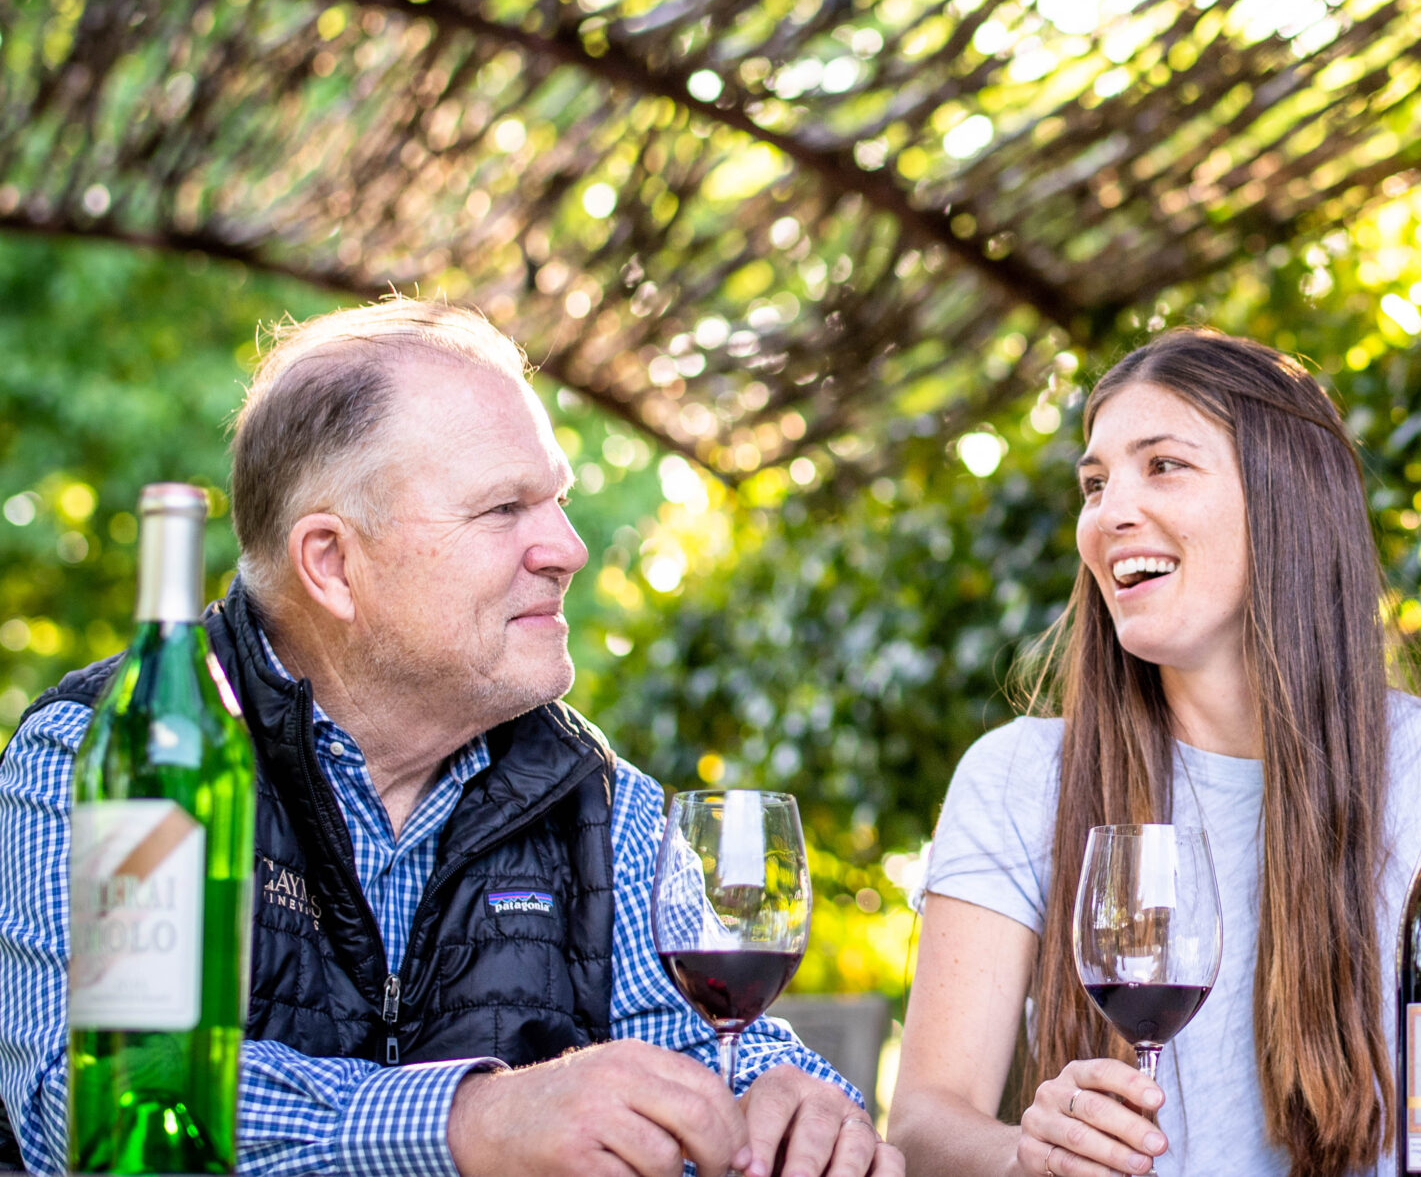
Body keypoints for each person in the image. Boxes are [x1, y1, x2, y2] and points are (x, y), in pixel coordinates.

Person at [0, 299, 899, 1177]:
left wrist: (799, 1104)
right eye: (504, 508)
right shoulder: (109, 753)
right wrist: (467, 1121)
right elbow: (86, 1106)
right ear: (332, 563)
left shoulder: (595, 799)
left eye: (558, 499)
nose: (569, 548)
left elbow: (707, 1059)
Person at [890, 329, 1421, 1177]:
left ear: (1282, 496)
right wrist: (1022, 1156)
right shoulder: (1018, 776)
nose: (1109, 513)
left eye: (1164, 465)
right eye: (1095, 483)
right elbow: (924, 1125)